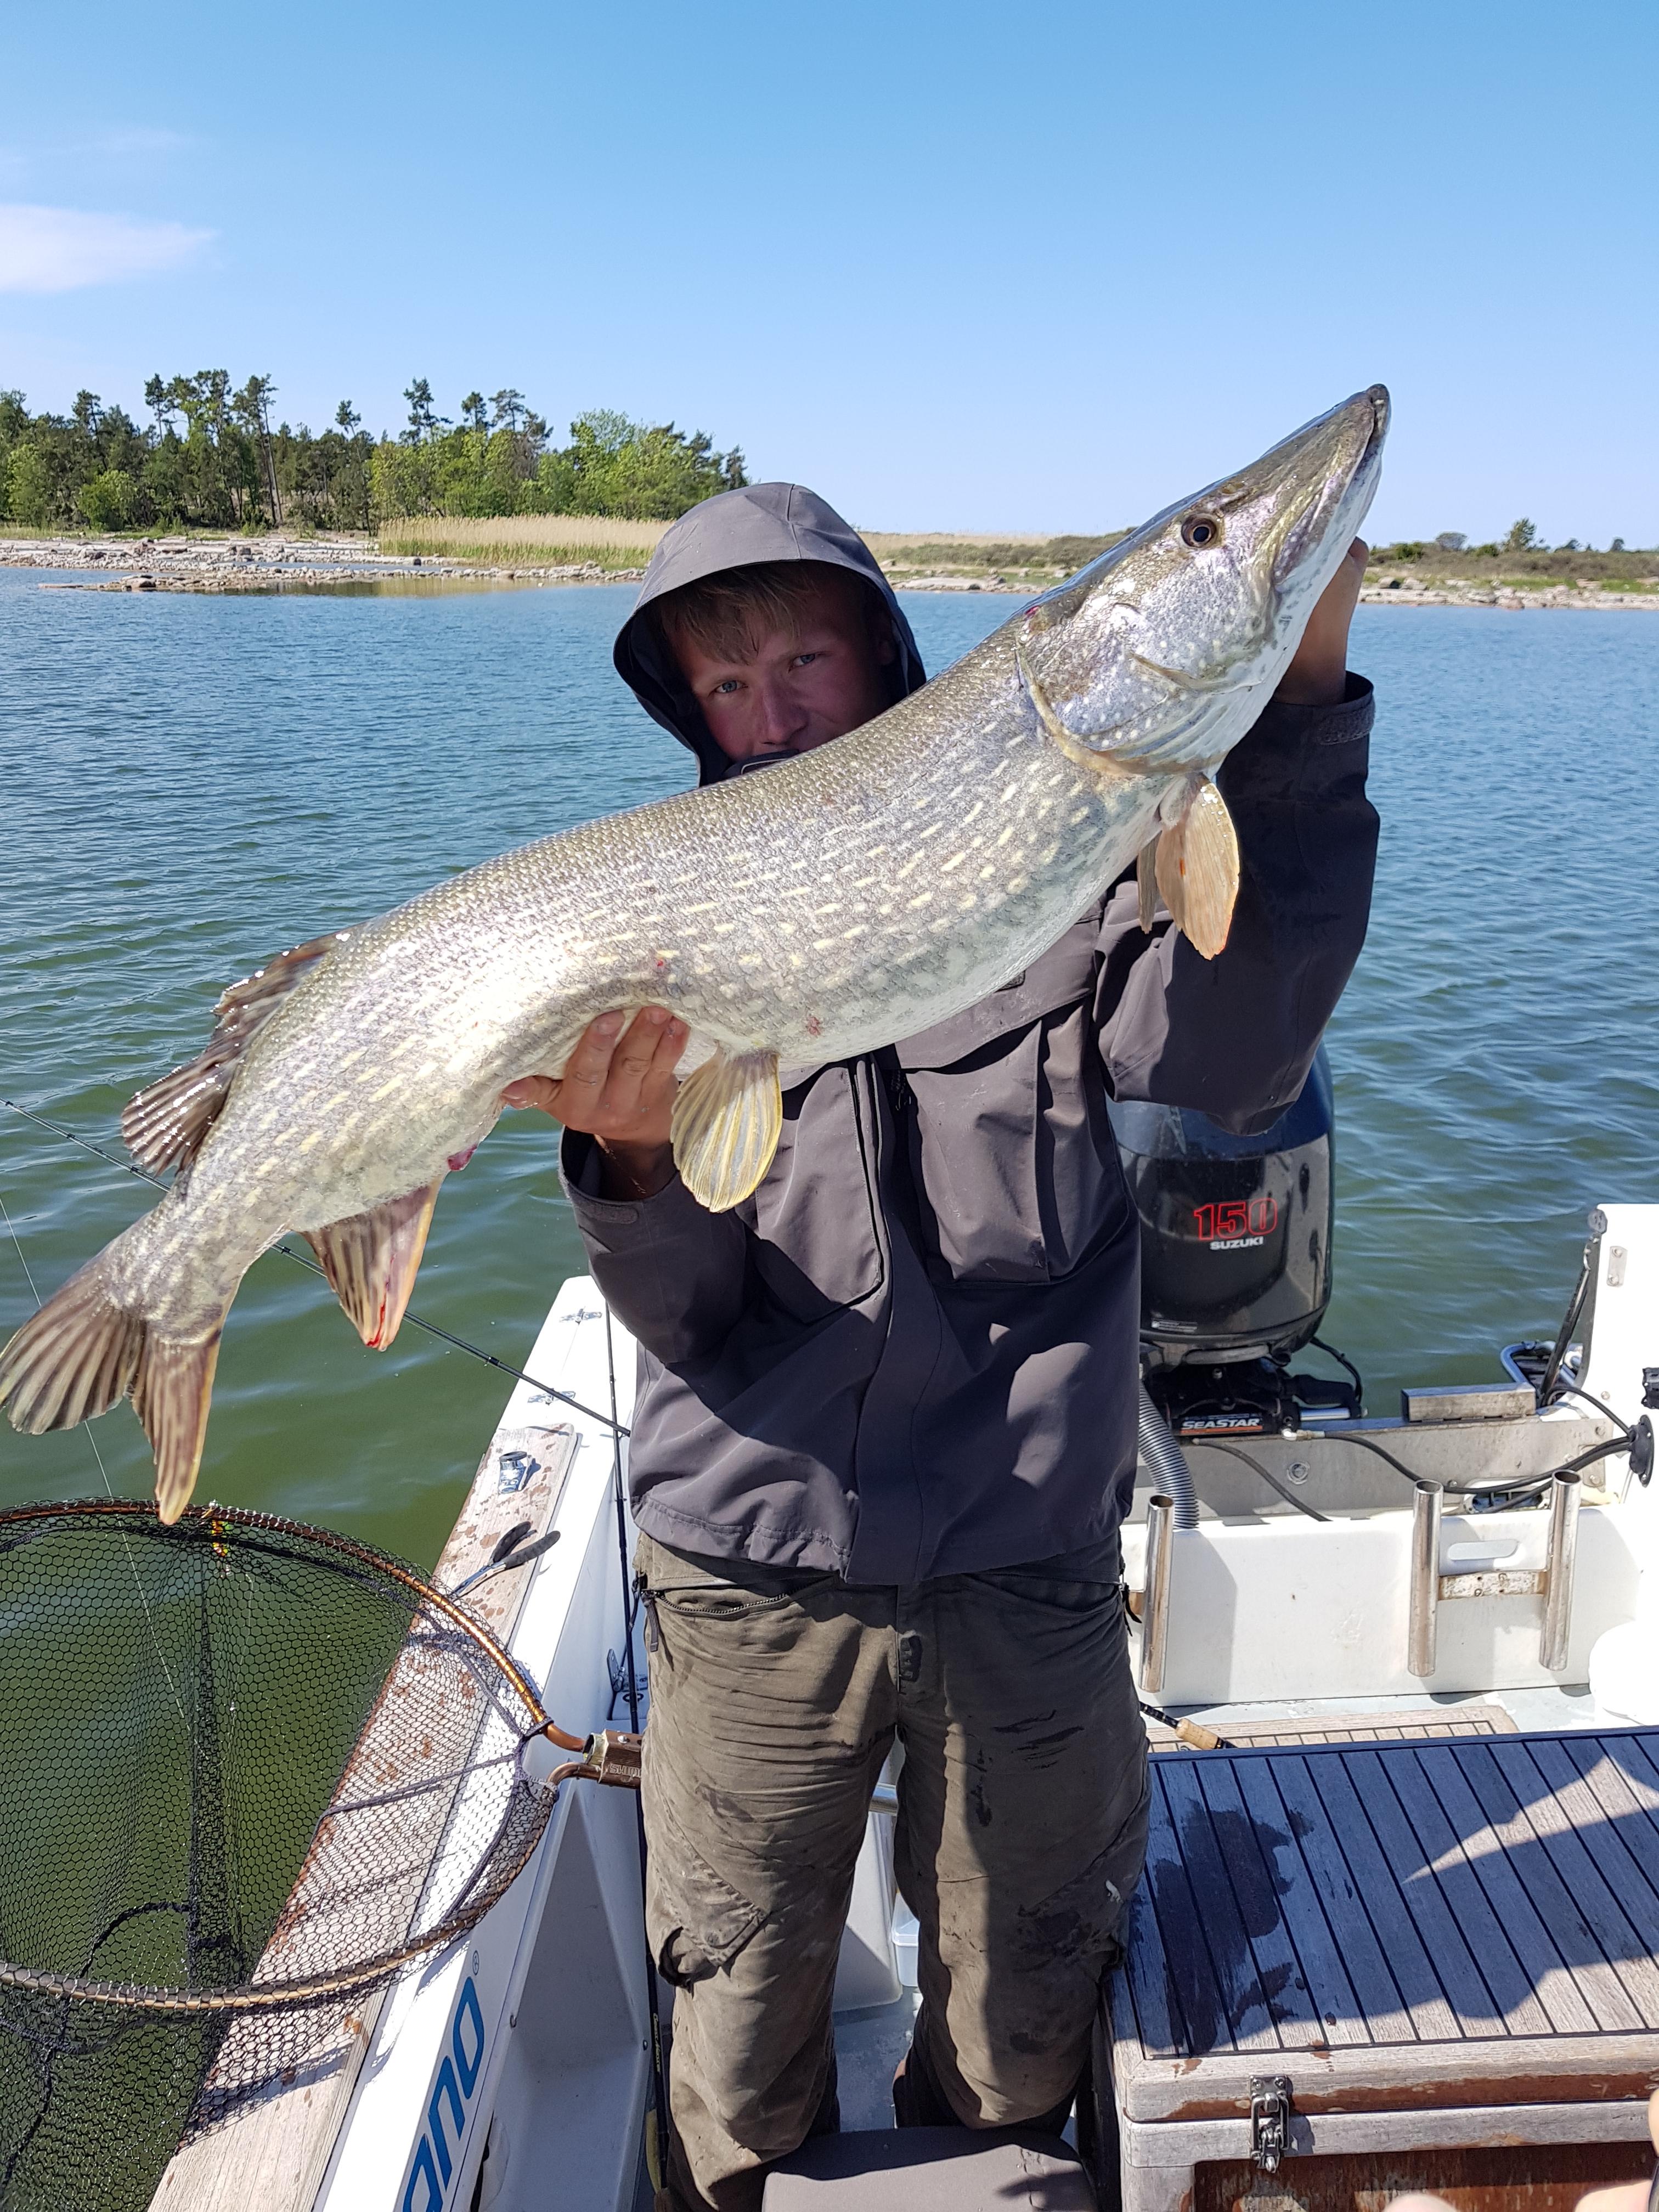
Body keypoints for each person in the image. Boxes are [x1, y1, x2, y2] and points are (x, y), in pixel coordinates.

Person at [505, 482, 1379, 2211]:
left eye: (804, 660)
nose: (770, 710)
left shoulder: (1070, 863)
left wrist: (1301, 707)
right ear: (687, 710)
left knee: (1024, 2002)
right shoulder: (666, 933)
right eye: (726, 683)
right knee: (733, 2018)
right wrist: (629, 1162)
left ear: (887, 651)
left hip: (1022, 1554)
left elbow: (1241, 1053)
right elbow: (686, 1316)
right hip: (753, 1570)